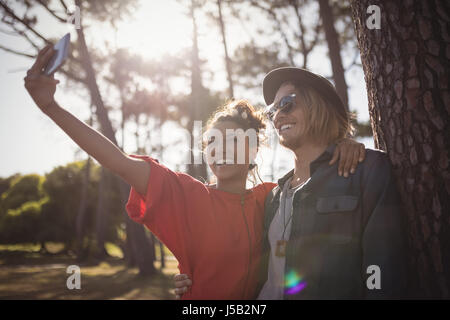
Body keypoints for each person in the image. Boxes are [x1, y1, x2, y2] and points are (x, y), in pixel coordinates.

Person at [24, 46, 365, 299]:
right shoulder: (185, 195)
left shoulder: (274, 197)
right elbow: (115, 160)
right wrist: (51, 106)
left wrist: (343, 145)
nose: (220, 150)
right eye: (212, 142)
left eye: (233, 140)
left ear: (252, 150)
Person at [175, 67, 408, 299]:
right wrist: (195, 278)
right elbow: (252, 271)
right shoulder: (272, 198)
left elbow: (383, 273)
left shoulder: (366, 171)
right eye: (271, 111)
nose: (277, 115)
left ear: (317, 104)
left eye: (286, 103)